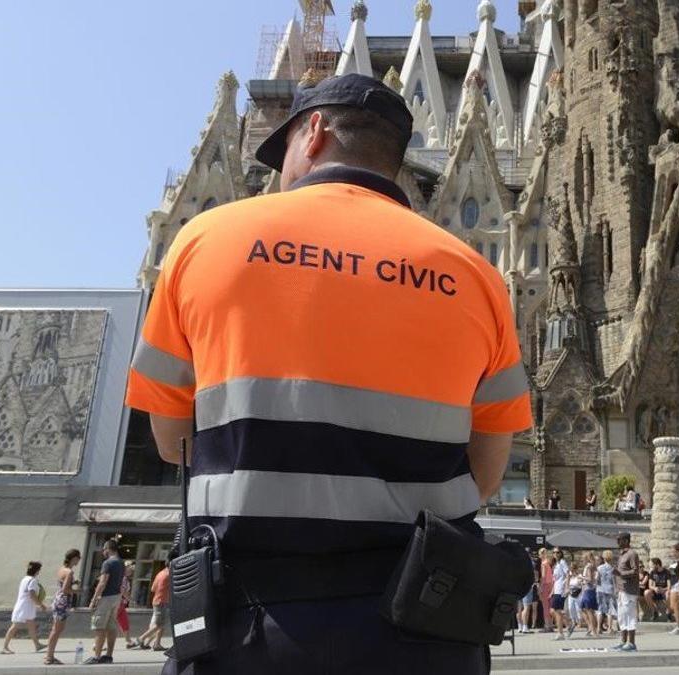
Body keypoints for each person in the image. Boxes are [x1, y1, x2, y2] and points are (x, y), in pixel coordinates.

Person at [125, 72, 531, 674]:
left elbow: (173, 441)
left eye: (281, 150)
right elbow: (488, 472)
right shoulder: (475, 277)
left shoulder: (204, 241)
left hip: (247, 630)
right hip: (423, 632)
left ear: (312, 133)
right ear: (396, 162)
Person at [85, 539, 123, 665]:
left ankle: (96, 656)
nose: (103, 552)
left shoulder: (108, 563)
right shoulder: (121, 562)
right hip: (116, 597)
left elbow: (102, 582)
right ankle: (109, 655)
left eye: (104, 549)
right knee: (111, 627)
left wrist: (94, 599)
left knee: (99, 626)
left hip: (106, 598)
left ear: (108, 549)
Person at [2, 561, 48, 654]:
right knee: (15, 626)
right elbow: (32, 594)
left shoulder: (25, 579)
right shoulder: (33, 580)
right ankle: (5, 647)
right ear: (37, 570)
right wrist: (41, 604)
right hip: (25, 607)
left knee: (31, 625)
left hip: (24, 606)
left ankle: (37, 645)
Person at [44, 549, 81, 665]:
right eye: (78, 558)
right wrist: (76, 591)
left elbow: (62, 585)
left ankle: (49, 656)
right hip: (63, 602)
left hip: (58, 600)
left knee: (56, 629)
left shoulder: (61, 569)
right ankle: (49, 657)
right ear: (74, 558)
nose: (79, 560)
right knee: (57, 630)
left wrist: (73, 584)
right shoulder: (69, 572)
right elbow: (65, 590)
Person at [614, 532, 641, 652]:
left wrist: (621, 574)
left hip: (629, 590)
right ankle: (623, 641)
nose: (617, 542)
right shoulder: (621, 555)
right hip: (621, 590)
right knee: (622, 616)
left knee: (630, 616)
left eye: (619, 539)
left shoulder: (632, 554)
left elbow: (635, 571)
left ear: (626, 540)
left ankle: (632, 643)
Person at [135, 563, 172, 651]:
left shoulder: (160, 573)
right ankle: (141, 639)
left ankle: (156, 644)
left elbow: (153, 589)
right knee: (159, 624)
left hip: (157, 601)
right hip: (162, 602)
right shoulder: (169, 574)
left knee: (160, 624)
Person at [551, 549, 574, 640]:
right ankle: (569, 625)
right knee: (554, 611)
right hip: (556, 589)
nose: (555, 554)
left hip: (561, 590)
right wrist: (552, 590)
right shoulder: (556, 564)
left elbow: (568, 574)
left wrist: (567, 587)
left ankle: (560, 633)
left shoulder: (562, 562)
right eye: (554, 552)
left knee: (557, 611)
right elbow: (556, 579)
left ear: (561, 554)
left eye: (557, 552)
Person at [596, 550, 617, 634]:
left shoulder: (599, 568)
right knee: (610, 610)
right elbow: (614, 581)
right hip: (610, 590)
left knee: (600, 609)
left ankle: (598, 628)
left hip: (600, 589)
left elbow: (597, 579)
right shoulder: (612, 568)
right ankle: (609, 628)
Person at [579, 553, 599, 636]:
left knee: (589, 610)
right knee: (584, 609)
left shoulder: (588, 567)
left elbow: (590, 579)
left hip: (588, 590)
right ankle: (591, 627)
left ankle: (593, 630)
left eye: (583, 559)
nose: (582, 560)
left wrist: (581, 577)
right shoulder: (592, 566)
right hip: (590, 590)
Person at [538, 548, 555, 632]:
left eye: (540, 554)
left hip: (545, 585)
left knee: (545, 607)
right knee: (550, 606)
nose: (540, 555)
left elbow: (543, 576)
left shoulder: (543, 564)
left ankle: (547, 626)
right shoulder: (549, 563)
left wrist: (540, 587)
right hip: (551, 585)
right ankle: (551, 625)